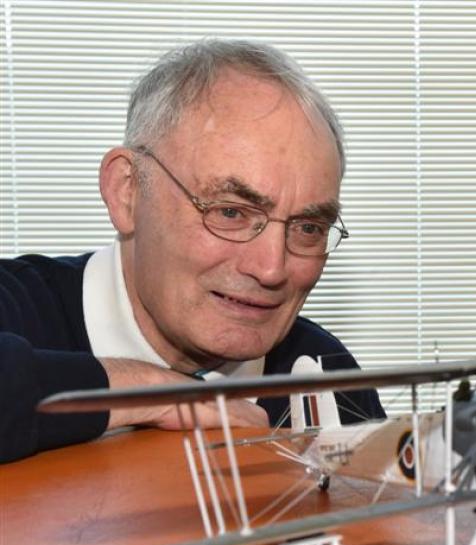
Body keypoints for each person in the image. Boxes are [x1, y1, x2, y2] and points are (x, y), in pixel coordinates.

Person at [0, 40, 384, 463]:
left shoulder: (323, 373)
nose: (272, 268)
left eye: (309, 227)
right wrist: (150, 392)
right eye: (231, 212)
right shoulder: (16, 309)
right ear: (127, 193)